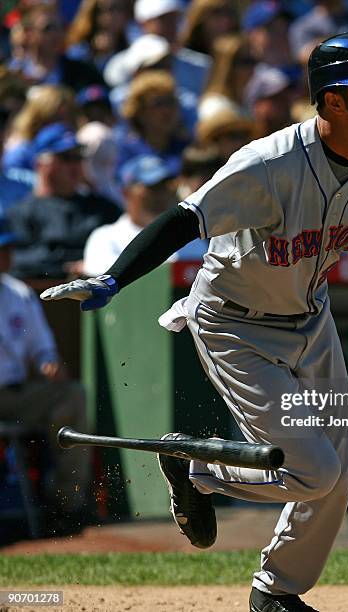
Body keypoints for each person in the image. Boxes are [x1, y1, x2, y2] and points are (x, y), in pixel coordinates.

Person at [41, 33, 348, 611]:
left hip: (310, 320)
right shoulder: (269, 164)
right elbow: (184, 219)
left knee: (337, 480)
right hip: (234, 322)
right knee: (315, 473)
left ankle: (274, 591)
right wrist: (114, 278)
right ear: (332, 102)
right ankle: (199, 469)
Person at [0, 218, 90, 535]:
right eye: (1, 249)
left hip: (16, 394)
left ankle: (66, 507)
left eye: (8, 248)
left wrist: (48, 363)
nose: (6, 256)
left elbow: (43, 349)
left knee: (72, 395)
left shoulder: (18, 293)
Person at [7, 122, 120, 279]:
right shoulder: (21, 212)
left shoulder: (103, 208)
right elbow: (14, 260)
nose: (75, 164)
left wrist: (92, 264)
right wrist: (63, 266)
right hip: (44, 299)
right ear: (41, 163)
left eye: (78, 156)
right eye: (66, 157)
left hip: (99, 295)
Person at [83, 154, 207, 276]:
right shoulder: (105, 238)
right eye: (152, 187)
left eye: (165, 186)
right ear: (126, 192)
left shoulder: (189, 237)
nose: (161, 194)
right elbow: (103, 283)